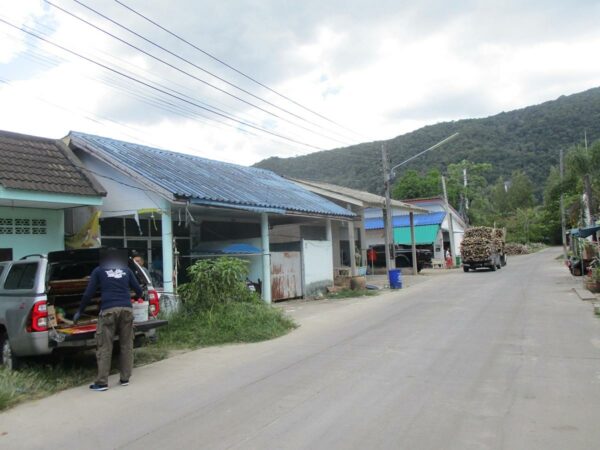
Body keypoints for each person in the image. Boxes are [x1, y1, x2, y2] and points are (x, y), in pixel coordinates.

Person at [74, 248, 143, 392]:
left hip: (108, 311)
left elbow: (89, 293)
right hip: (126, 310)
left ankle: (102, 383)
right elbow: (139, 290)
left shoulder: (99, 271)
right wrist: (134, 298)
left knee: (105, 346)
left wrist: (80, 311)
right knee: (126, 345)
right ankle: (125, 378)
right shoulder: (126, 270)